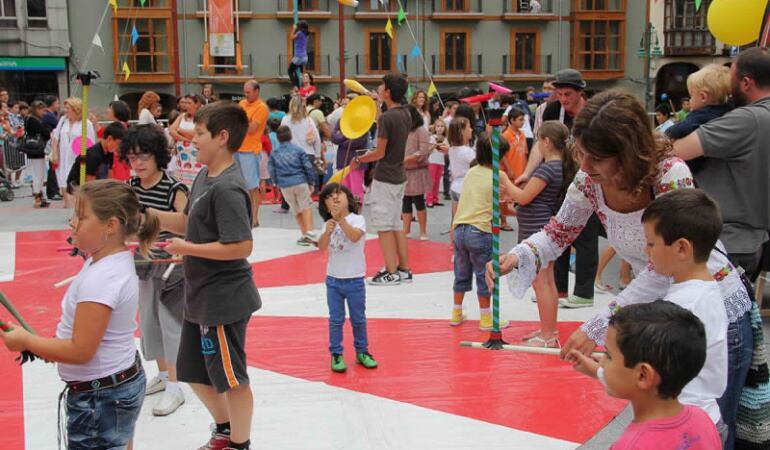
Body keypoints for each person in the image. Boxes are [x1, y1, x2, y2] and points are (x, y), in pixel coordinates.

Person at [488, 89, 753, 449]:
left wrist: (601, 325)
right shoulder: (589, 182)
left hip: (708, 305)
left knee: (705, 423)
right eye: (580, 152)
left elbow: (665, 270)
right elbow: (559, 231)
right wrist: (517, 256)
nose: (585, 166)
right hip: (663, 316)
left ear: (628, 152)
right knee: (668, 423)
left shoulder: (668, 174)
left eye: (596, 157)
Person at [0, 179, 157, 449]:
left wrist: (26, 341)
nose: (72, 223)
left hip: (101, 398)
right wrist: (49, 347)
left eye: (81, 217)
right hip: (115, 385)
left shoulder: (102, 279)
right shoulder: (107, 261)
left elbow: (81, 351)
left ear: (111, 226)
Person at [152, 101, 260, 450]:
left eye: (199, 133)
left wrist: (187, 249)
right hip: (199, 296)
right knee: (192, 370)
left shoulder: (227, 187)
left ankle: (239, 444)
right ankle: (225, 429)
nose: (192, 139)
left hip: (222, 300)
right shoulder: (203, 175)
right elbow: (188, 223)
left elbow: (241, 246)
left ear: (222, 137)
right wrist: (150, 217)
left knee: (232, 379)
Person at [674, 47, 770, 282]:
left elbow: (675, 150)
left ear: (746, 83)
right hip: (754, 239)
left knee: (710, 315)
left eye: (732, 79)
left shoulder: (746, 119)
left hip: (728, 241)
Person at [570, 301, 721, 450]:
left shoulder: (630, 446)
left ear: (643, 375)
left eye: (608, 355)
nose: (601, 362)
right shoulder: (703, 419)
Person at [640, 189, 728, 431]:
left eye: (650, 243)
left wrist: (603, 371)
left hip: (681, 426)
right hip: (707, 417)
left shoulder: (684, 306)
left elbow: (653, 371)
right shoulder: (706, 290)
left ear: (681, 248)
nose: (645, 251)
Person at [122, 124, 189, 417]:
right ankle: (163, 375)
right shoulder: (131, 188)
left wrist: (152, 221)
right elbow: (127, 224)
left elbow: (186, 224)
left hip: (171, 265)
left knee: (171, 323)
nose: (137, 163)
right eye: (132, 157)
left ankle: (176, 385)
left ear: (158, 156)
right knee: (148, 322)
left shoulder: (175, 187)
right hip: (142, 262)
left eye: (143, 156)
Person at [521, 68, 599, 308]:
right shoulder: (553, 110)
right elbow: (541, 144)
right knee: (560, 230)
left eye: (568, 94)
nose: (563, 99)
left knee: (586, 235)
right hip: (562, 179)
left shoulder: (594, 112)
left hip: (590, 177)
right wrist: (527, 172)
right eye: (560, 94)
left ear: (580, 93)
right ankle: (560, 288)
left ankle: (584, 293)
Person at [508, 121, 573, 347]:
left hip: (537, 228)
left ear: (546, 142)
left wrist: (505, 182)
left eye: (538, 140)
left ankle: (548, 335)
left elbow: (524, 197)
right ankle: (548, 329)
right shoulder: (559, 167)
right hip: (540, 225)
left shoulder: (547, 169)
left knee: (542, 281)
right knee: (545, 281)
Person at [350, 73, 412, 286]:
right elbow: (382, 122)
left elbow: (379, 152)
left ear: (388, 92)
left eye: (382, 86)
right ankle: (404, 269)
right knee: (396, 224)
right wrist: (377, 104)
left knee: (384, 226)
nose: (379, 87)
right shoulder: (405, 113)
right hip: (399, 175)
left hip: (385, 177)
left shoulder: (388, 118)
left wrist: (359, 159)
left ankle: (391, 272)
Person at [451, 134, 515, 330]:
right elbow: (506, 201)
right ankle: (486, 318)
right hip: (481, 230)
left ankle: (456, 312)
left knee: (461, 273)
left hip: (460, 229)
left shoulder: (471, 172)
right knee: (484, 274)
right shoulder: (498, 175)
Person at [317, 183, 378, 372]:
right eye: (329, 197)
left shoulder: (357, 220)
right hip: (333, 280)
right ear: (325, 206)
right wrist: (328, 229)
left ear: (348, 198)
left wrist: (341, 221)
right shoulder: (328, 224)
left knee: (358, 319)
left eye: (339, 194)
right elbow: (321, 246)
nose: (335, 198)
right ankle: (336, 354)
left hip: (355, 280)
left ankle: (362, 351)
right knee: (336, 319)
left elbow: (353, 237)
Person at [666, 64, 732, 176]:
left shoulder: (700, 115)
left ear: (703, 97)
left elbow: (678, 130)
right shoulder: (728, 111)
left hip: (693, 166)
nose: (690, 100)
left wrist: (668, 131)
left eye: (691, 96)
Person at [267, 125, 317, 246]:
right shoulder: (298, 150)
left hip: (285, 185)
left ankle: (304, 234)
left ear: (278, 138)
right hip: (300, 181)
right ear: (290, 136)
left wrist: (276, 183)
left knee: (296, 210)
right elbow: (308, 167)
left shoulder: (274, 153)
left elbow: (271, 170)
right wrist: (311, 182)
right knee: (306, 206)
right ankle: (310, 232)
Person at [52, 97, 96, 207]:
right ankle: (69, 206)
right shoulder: (63, 120)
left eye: (68, 108)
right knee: (62, 179)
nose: (66, 110)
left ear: (76, 109)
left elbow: (90, 142)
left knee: (75, 181)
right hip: (63, 155)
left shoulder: (86, 123)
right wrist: (55, 153)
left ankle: (76, 207)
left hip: (77, 156)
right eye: (65, 108)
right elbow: (55, 137)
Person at [237, 80, 269, 228]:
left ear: (257, 91)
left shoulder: (261, 107)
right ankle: (244, 216)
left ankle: (254, 218)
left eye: (248, 92)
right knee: (239, 185)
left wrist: (238, 124)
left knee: (252, 186)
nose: (246, 95)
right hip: (237, 148)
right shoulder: (242, 104)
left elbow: (252, 128)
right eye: (245, 92)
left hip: (250, 150)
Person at [65, 122, 125, 191]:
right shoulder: (93, 155)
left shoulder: (110, 153)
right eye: (118, 143)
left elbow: (110, 177)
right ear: (109, 139)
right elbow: (89, 185)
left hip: (97, 187)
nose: (119, 147)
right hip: (78, 190)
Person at [402, 104, 431, 241]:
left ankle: (423, 231)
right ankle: (406, 230)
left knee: (419, 201)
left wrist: (406, 159)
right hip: (404, 171)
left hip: (417, 171)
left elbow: (423, 151)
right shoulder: (401, 130)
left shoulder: (421, 130)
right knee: (405, 201)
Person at [280, 95, 322, 192]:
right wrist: (318, 155)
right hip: (308, 154)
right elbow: (317, 138)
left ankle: (288, 203)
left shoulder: (285, 119)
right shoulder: (308, 120)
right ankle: (306, 200)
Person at [330, 108, 369, 203]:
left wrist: (342, 138)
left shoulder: (364, 125)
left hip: (357, 163)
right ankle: (345, 211)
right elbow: (334, 137)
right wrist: (346, 135)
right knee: (343, 190)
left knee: (356, 189)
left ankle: (356, 211)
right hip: (342, 162)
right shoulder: (341, 121)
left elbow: (355, 142)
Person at [170, 94, 204, 186]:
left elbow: (196, 133)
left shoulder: (202, 117)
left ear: (197, 104)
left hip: (195, 160)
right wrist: (185, 138)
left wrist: (180, 130)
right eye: (185, 103)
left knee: (195, 183)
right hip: (182, 160)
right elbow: (172, 131)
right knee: (182, 184)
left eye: (189, 103)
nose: (186, 105)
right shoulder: (182, 116)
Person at [447, 117, 475, 225]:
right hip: (466, 188)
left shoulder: (452, 149)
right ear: (462, 131)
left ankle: (454, 240)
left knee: (455, 221)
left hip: (455, 186)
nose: (471, 129)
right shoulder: (467, 152)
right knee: (467, 222)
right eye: (469, 127)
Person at [24, 101, 51, 208]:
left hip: (31, 148)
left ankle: (38, 196)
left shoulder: (28, 119)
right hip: (37, 149)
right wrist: (47, 129)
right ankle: (38, 197)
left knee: (37, 173)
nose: (44, 113)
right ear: (37, 109)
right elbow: (45, 133)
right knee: (38, 174)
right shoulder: (34, 120)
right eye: (42, 110)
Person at [426, 118, 448, 208]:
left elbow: (446, 151)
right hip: (432, 161)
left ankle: (435, 199)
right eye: (438, 126)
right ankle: (429, 200)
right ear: (435, 128)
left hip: (441, 162)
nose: (440, 128)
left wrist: (443, 146)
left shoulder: (445, 139)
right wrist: (434, 145)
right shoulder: (432, 137)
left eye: (442, 126)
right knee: (431, 181)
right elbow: (428, 150)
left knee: (438, 182)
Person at [289, 21, 309, 89]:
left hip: (298, 56)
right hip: (305, 57)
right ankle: (304, 86)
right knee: (299, 72)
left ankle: (296, 86)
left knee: (290, 70)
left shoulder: (299, 33)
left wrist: (294, 29)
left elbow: (291, 37)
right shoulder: (306, 34)